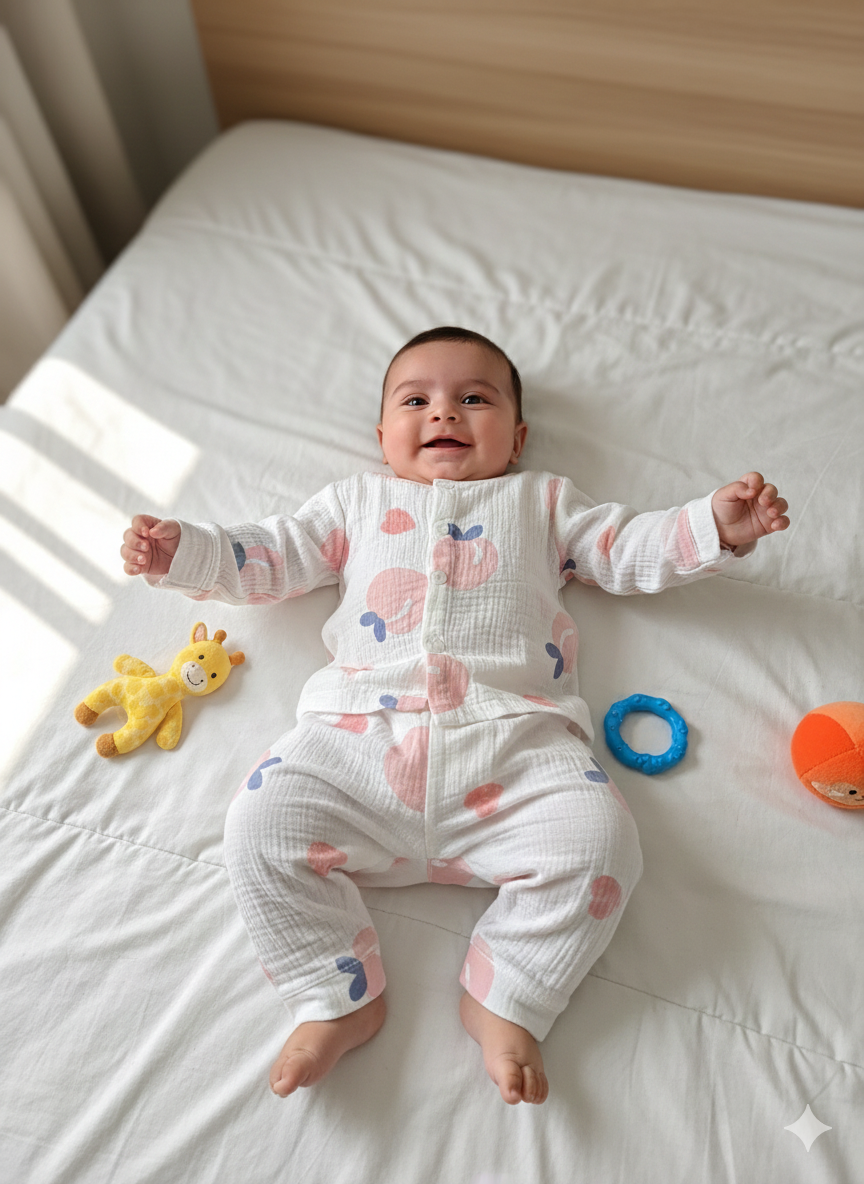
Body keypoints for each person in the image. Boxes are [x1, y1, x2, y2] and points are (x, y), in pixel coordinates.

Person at [120, 327, 790, 1106]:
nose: (446, 412)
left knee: (603, 845)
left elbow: (627, 546)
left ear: (518, 436)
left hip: (513, 743)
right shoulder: (354, 502)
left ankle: (507, 995)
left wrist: (712, 525)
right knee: (255, 827)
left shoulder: (542, 501)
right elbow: (270, 554)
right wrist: (186, 554)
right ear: (382, 437)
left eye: (475, 398)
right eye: (417, 400)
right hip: (357, 741)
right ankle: (336, 995)